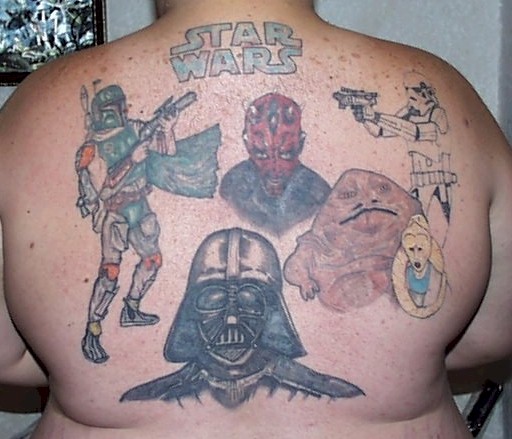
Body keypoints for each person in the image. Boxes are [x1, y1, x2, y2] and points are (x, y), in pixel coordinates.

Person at [0, 0, 511, 437]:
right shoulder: (441, 93)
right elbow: (489, 334)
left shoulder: (36, 111)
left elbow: (9, 358)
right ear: (246, 142)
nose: (231, 323)